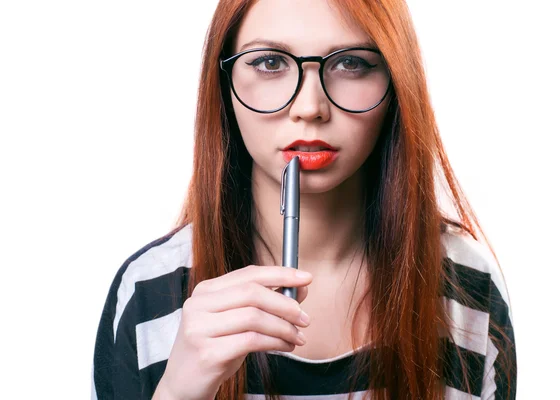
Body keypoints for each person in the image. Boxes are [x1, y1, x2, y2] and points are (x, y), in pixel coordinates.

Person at [92, 0, 517, 399]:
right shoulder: (149, 290)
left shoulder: (468, 287)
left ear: (395, 80)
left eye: (351, 63)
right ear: (224, 84)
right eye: (270, 63)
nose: (309, 107)